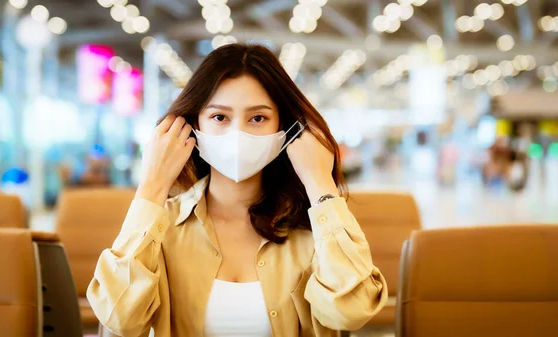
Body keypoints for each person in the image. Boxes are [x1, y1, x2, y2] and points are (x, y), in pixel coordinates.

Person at [87, 44, 387, 337]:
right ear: (193, 126)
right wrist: (152, 187)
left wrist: (320, 183)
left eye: (258, 118)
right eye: (220, 117)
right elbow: (119, 318)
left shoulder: (315, 227)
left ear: (284, 129)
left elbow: (353, 311)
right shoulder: (160, 227)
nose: (238, 134)